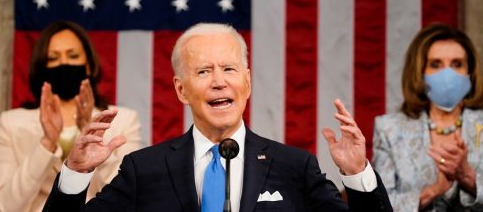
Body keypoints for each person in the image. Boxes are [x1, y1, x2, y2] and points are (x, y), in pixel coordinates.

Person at [43, 22, 392, 211]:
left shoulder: (294, 168)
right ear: (181, 90)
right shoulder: (143, 170)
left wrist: (358, 174)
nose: (219, 82)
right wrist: (75, 174)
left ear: (248, 81)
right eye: (204, 72)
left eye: (229, 68)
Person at [0, 20, 142, 212]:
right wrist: (47, 142)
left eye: (72, 56)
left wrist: (89, 129)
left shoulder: (123, 120)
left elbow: (129, 196)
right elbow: (7, 206)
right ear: (42, 67)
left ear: (88, 65)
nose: (63, 64)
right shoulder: (11, 123)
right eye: (53, 58)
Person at [373, 23, 483, 211]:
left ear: (470, 72)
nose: (447, 73)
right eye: (436, 64)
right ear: (419, 72)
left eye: (457, 64)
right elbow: (378, 206)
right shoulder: (389, 129)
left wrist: (468, 177)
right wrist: (433, 191)